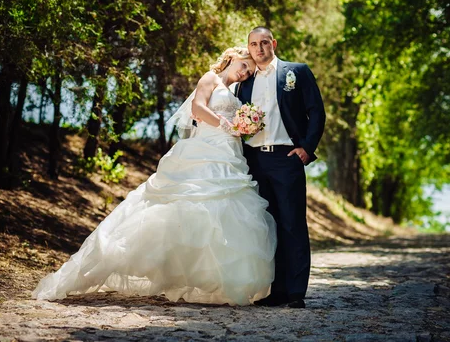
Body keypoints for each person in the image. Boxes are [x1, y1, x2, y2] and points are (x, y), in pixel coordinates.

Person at [32, 47, 278, 306]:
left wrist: (243, 126)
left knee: (221, 213)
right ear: (232, 57)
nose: (244, 73)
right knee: (180, 206)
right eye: (244, 66)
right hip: (203, 150)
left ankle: (217, 282)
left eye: (248, 72)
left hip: (229, 154)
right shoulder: (210, 79)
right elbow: (197, 109)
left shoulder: (235, 93)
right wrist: (226, 124)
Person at [236, 27, 326, 309]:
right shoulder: (244, 82)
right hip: (254, 161)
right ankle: (275, 291)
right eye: (253, 44)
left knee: (292, 224)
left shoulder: (296, 72)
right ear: (248, 48)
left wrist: (306, 148)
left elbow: (317, 111)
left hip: (286, 159)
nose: (259, 48)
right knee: (267, 227)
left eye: (264, 43)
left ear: (273, 43)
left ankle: (296, 292)